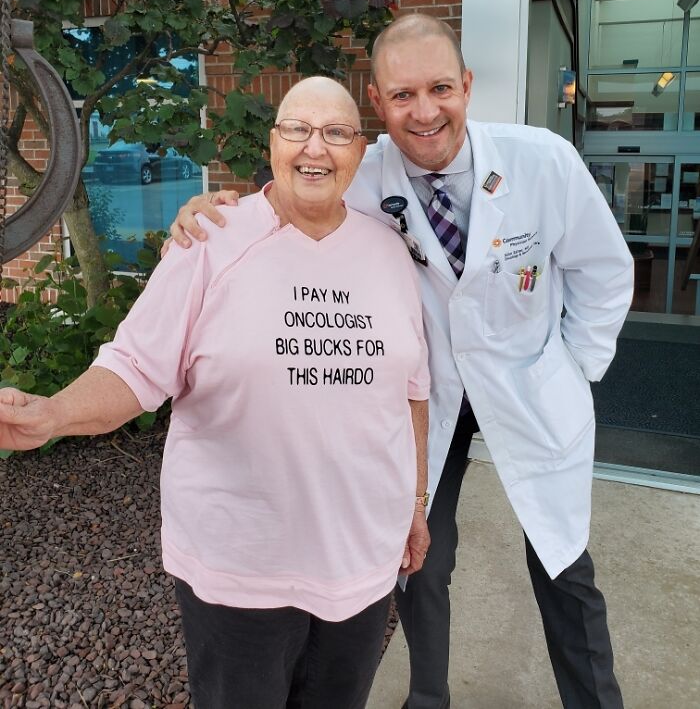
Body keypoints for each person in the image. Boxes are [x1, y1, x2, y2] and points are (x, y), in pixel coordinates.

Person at [169, 13, 634, 709]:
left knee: (562, 558)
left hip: (528, 383)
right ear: (379, 104)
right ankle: (428, 695)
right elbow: (288, 201)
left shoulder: (543, 162)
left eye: (440, 88)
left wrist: (574, 368)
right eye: (403, 95)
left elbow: (604, 272)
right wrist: (209, 211)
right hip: (431, 393)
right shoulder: (363, 173)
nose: (424, 111)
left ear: (467, 86)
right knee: (420, 558)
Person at [0, 77, 433, 709]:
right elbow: (136, 365)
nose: (316, 147)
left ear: (359, 152)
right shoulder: (210, 239)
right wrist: (55, 413)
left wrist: (414, 503)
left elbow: (411, 393)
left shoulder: (389, 252)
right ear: (273, 142)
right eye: (298, 129)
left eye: (337, 132)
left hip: (361, 564)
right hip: (242, 568)